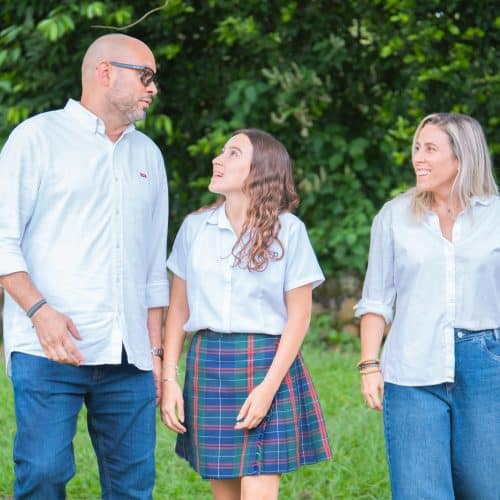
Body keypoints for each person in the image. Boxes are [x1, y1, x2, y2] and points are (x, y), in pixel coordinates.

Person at [0, 34, 169, 499]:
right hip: (49, 349)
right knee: (43, 474)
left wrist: (155, 353)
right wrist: (40, 312)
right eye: (145, 75)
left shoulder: (148, 155)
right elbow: (3, 240)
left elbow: (153, 268)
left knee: (133, 487)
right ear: (105, 72)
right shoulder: (35, 138)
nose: (153, 88)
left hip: (129, 355)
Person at [160, 129, 331, 499]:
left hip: (268, 365)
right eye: (222, 151)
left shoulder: (289, 231)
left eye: (233, 153)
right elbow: (178, 310)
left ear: (261, 169)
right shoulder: (195, 228)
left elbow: (299, 318)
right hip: (208, 364)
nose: (217, 159)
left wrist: (268, 389)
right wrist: (169, 378)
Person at [354, 113, 500, 500]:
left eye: (430, 149)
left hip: (487, 364)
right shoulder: (393, 217)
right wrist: (369, 364)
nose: (418, 157)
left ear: (461, 157)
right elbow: (376, 299)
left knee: (488, 488)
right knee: (420, 491)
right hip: (411, 364)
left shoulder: (496, 216)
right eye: (417, 147)